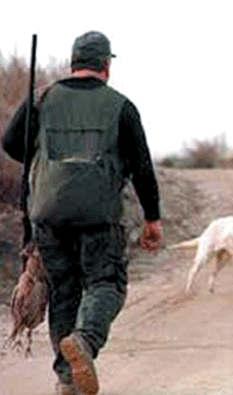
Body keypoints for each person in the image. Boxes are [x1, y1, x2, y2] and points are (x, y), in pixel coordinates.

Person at [3, 31, 164, 395]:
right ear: (106, 66)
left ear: (73, 63)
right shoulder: (121, 105)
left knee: (64, 292)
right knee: (107, 284)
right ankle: (85, 343)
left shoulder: (41, 98)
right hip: (98, 218)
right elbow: (142, 167)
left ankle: (67, 381)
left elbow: (11, 143)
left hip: (47, 215)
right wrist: (152, 220)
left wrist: (44, 161)